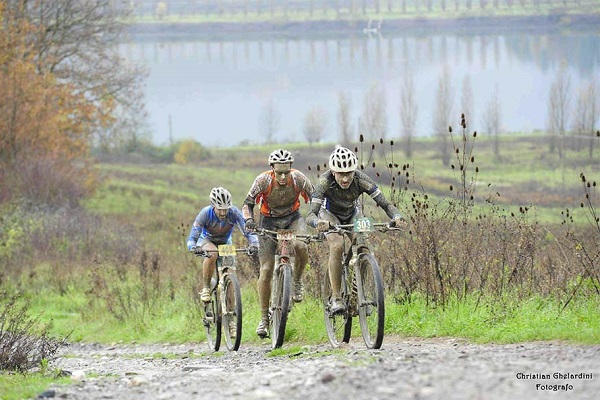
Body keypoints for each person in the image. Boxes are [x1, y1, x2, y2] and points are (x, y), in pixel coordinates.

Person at [305, 146, 405, 315]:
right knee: (337, 245)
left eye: (349, 173)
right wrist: (318, 223)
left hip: (353, 213)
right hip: (329, 215)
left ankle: (359, 294)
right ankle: (336, 298)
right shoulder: (324, 182)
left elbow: (385, 204)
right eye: (340, 174)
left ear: (354, 171)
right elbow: (310, 215)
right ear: (333, 172)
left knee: (364, 246)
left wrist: (396, 216)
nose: (345, 179)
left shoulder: (361, 179)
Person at [242, 149, 314, 338]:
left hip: (293, 219)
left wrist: (318, 218)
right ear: (272, 168)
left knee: (301, 246)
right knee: (266, 269)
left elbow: (315, 199)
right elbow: (247, 203)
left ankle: (297, 281)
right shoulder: (263, 181)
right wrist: (249, 220)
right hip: (268, 221)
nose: (283, 176)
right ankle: (264, 318)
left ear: (291, 168)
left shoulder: (298, 179)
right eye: (279, 172)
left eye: (286, 172)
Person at [187, 187, 258, 303]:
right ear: (213, 205)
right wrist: (193, 247)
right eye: (220, 209)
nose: (223, 213)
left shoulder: (233, 212)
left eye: (226, 209)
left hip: (225, 242)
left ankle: (229, 314)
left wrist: (254, 243)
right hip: (206, 240)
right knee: (213, 253)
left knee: (230, 275)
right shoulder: (205, 213)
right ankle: (206, 287)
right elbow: (193, 236)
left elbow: (247, 231)